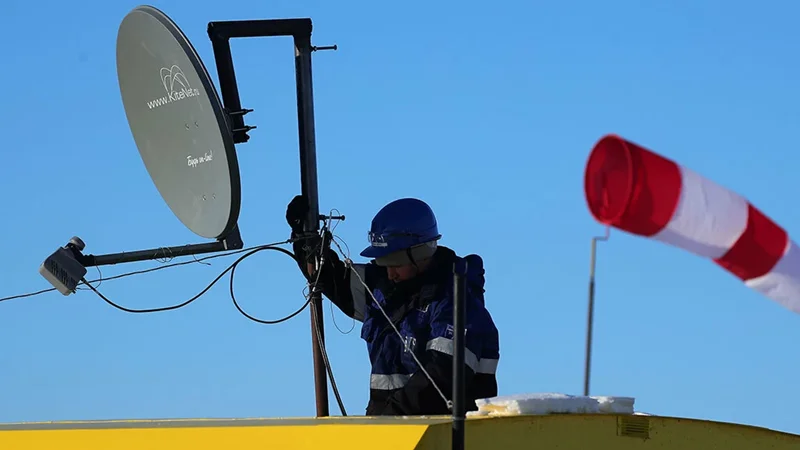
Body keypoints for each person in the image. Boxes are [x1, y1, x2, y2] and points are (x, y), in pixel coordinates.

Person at [286, 195, 500, 416]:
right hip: (392, 427)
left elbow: (443, 374)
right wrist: (303, 237)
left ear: (420, 252)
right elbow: (329, 278)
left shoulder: (456, 301)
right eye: (383, 263)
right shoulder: (382, 288)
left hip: (439, 431)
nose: (390, 273)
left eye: (395, 263)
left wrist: (386, 420)